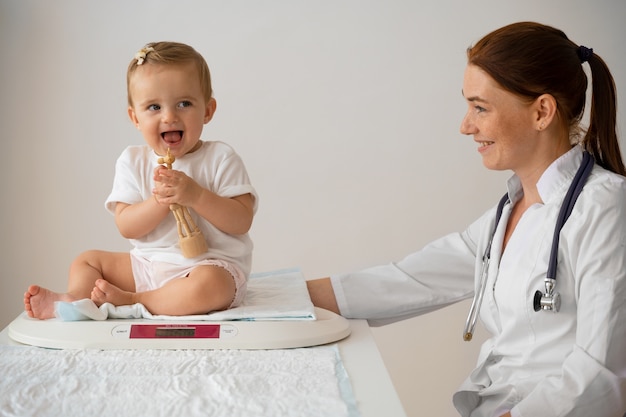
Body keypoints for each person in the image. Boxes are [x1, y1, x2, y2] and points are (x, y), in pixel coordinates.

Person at [307, 22, 626, 417]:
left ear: (542, 111)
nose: (465, 125)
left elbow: (603, 372)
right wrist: (279, 298)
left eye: (480, 108)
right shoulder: (510, 211)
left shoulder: (605, 207)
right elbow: (410, 280)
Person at [25, 41, 258, 319]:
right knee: (87, 260)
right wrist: (159, 200)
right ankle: (76, 299)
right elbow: (127, 226)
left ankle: (133, 300)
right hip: (147, 265)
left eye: (184, 103)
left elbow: (241, 220)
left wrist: (196, 195)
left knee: (210, 286)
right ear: (135, 118)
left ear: (208, 110)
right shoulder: (132, 161)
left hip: (208, 267)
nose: (169, 116)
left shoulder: (221, 157)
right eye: (154, 107)